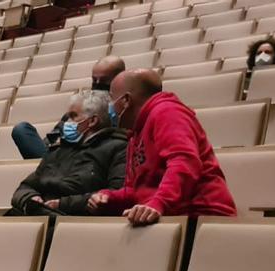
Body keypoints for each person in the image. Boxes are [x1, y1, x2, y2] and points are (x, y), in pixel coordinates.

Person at [88, 69, 237, 225]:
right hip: (169, 218)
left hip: (201, 217)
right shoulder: (135, 132)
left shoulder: (167, 112)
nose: (110, 107)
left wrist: (158, 203)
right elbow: (138, 191)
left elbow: (185, 162)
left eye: (112, 99)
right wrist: (108, 198)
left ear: (126, 100)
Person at [10, 90, 127, 216]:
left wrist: (61, 204)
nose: (65, 123)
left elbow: (115, 194)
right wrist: (29, 198)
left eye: (73, 116)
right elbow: (26, 186)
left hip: (71, 220)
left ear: (92, 121)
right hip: (37, 214)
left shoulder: (118, 148)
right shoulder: (59, 149)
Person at [12, 56, 126, 159]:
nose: (97, 84)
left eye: (104, 80)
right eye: (94, 80)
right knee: (22, 129)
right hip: (61, 157)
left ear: (118, 80)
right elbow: (52, 138)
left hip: (89, 161)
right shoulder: (82, 103)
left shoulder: (123, 110)